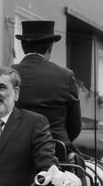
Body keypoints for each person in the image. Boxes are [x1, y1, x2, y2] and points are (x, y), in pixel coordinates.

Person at [12, 20, 82, 149]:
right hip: (55, 148)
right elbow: (75, 126)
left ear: (22, 45)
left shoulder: (7, 74)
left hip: (12, 148)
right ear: (50, 46)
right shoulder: (65, 75)